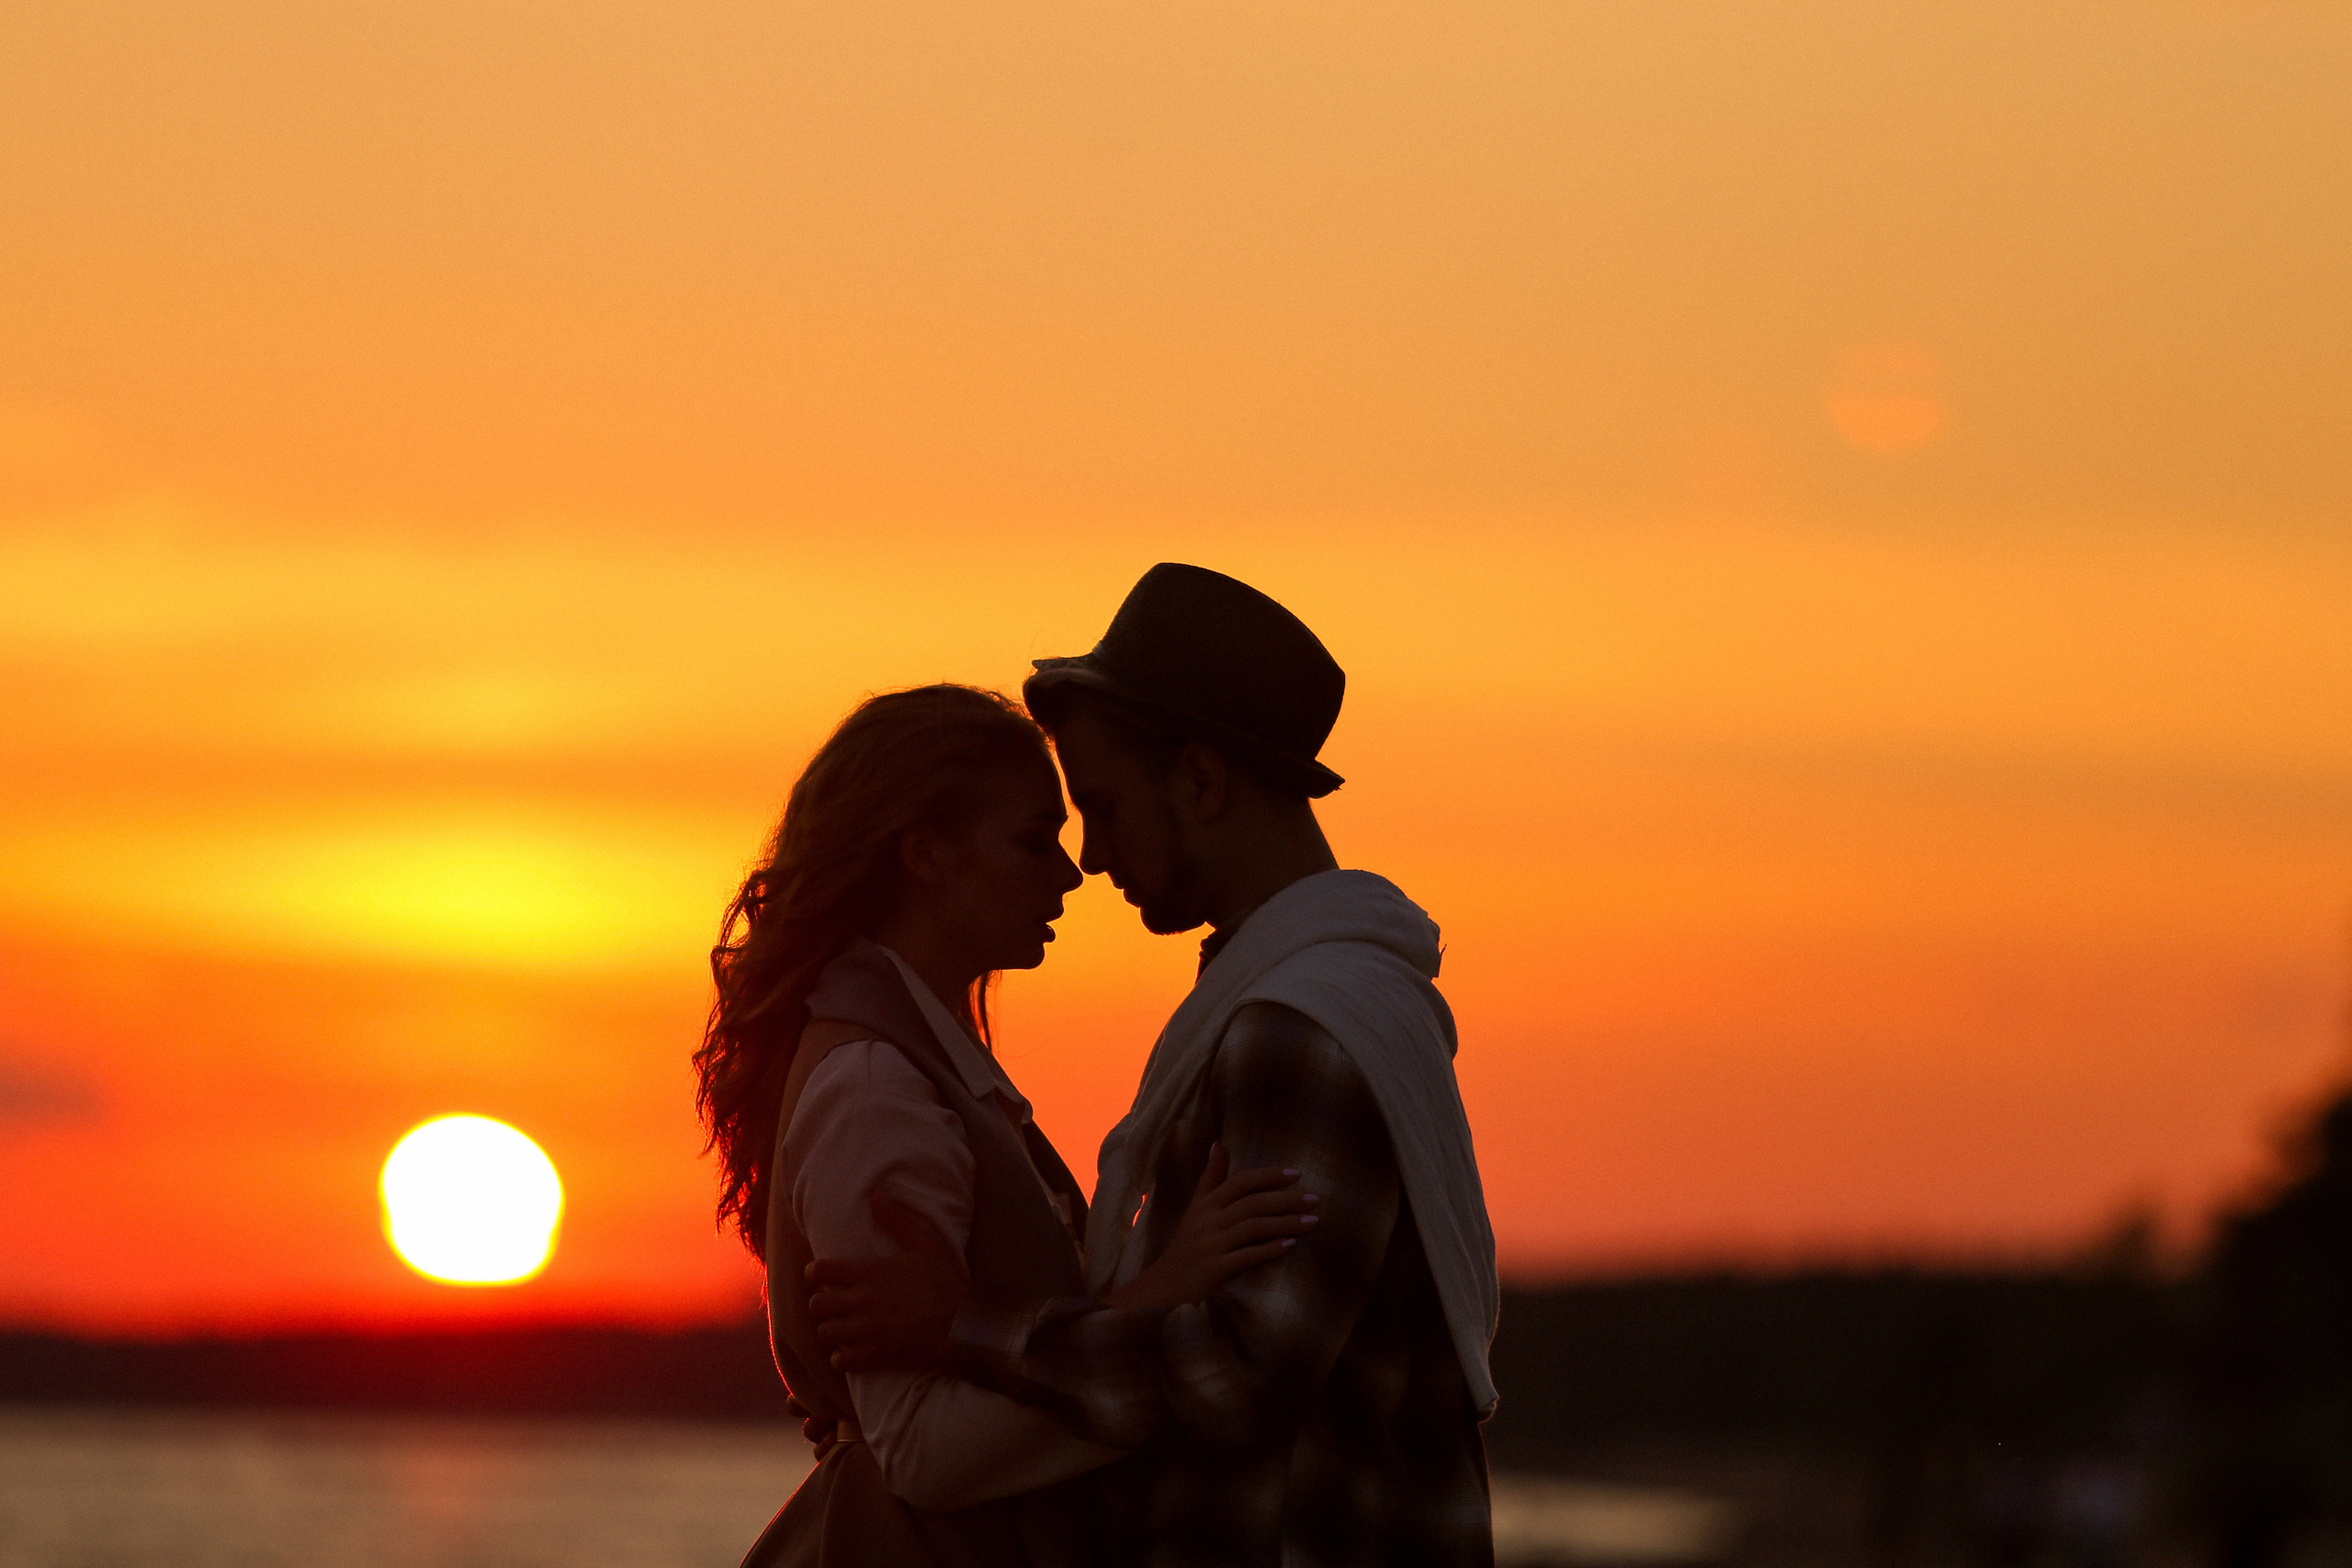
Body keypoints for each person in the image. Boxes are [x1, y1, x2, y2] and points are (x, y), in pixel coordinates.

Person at [808, 566, 1501, 1568]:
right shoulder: (1313, 1000)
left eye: (1101, 805)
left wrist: (959, 1325)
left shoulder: (1299, 1025)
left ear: (1201, 783)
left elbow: (1237, 1370)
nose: (1090, 857)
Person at [694, 683, 1319, 1568]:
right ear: (925, 853)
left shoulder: (921, 1063)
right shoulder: (875, 1087)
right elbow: (921, 1451)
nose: (1071, 873)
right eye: (1034, 841)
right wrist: (1158, 1296)